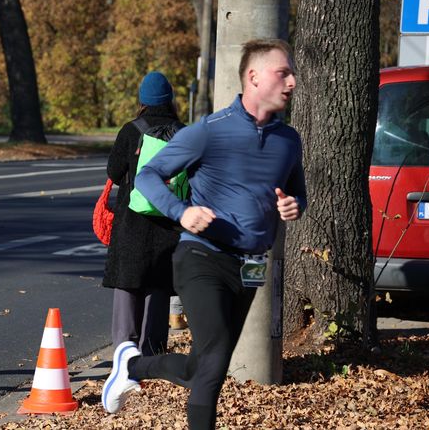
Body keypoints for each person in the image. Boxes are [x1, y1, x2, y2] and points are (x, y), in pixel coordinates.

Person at [101, 39, 306, 429]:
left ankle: (134, 364)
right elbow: (147, 176)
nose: (292, 81)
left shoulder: (288, 141)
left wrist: (293, 205)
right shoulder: (209, 131)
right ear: (253, 76)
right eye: (283, 73)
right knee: (212, 366)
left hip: (250, 266)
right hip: (202, 256)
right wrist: (182, 211)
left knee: (205, 365)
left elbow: (298, 192)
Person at [103, 71, 182, 356]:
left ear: (143, 100)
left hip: (132, 221)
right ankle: (153, 354)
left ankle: (125, 352)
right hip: (168, 220)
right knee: (158, 287)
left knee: (128, 284)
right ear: (170, 98)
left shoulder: (132, 129)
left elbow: (114, 171)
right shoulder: (183, 133)